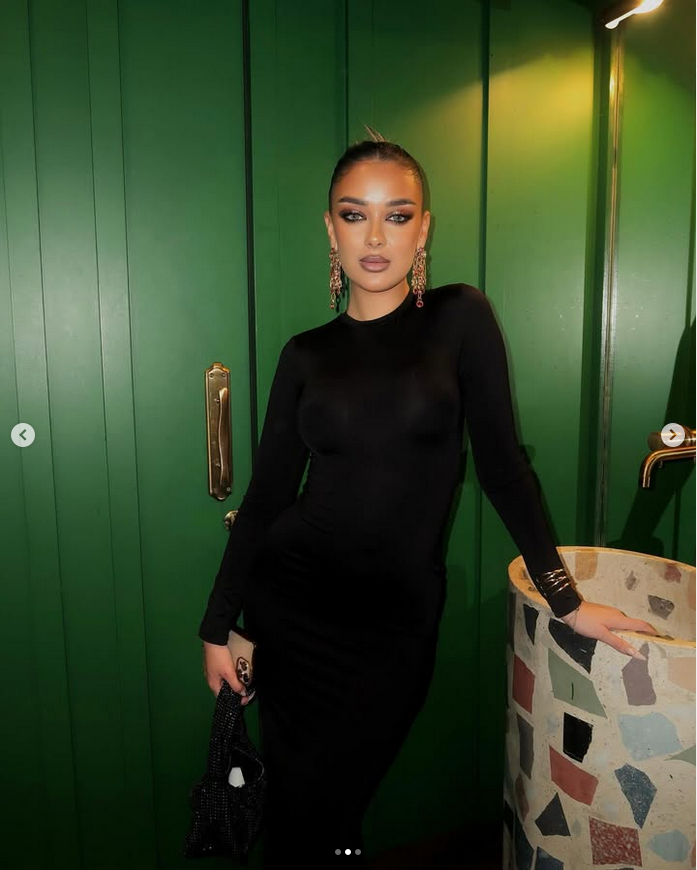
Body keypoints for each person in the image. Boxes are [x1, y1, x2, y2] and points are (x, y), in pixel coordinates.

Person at [197, 128, 659, 869]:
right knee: (300, 808)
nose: (375, 236)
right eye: (354, 215)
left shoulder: (459, 318)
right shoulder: (305, 355)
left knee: (342, 795)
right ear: (330, 230)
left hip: (395, 624)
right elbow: (267, 498)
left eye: (398, 215)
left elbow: (505, 469)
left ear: (424, 229)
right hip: (294, 608)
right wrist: (219, 626)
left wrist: (566, 600)